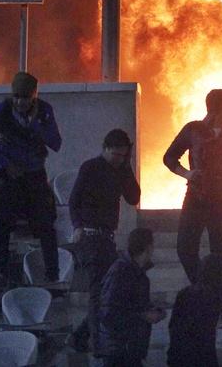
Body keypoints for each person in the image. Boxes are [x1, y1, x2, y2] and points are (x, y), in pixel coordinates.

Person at [163, 88, 222, 327]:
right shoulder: (193, 130)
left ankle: (221, 314)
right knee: (185, 248)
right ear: (217, 108)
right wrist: (187, 173)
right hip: (196, 198)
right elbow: (169, 157)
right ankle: (203, 291)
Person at [0, 71, 62, 290]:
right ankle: (0, 273)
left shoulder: (44, 111)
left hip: (35, 173)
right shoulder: (3, 110)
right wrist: (5, 163)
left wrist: (37, 125)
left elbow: (56, 142)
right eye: (16, 97)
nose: (20, 102)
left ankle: (52, 273)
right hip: (8, 175)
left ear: (34, 96)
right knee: (1, 225)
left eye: (25, 97)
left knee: (46, 223)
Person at [68, 129, 142, 353]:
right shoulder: (90, 167)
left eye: (123, 155)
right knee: (98, 291)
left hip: (108, 237)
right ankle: (97, 343)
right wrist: (77, 226)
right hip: (90, 236)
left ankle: (80, 336)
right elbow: (74, 200)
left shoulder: (121, 170)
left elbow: (133, 197)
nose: (118, 159)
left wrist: (126, 168)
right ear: (105, 148)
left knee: (109, 291)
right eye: (116, 155)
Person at [98, 227, 166, 366]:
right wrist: (143, 315)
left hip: (129, 348)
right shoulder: (121, 272)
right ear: (148, 247)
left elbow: (132, 304)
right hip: (120, 350)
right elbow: (109, 313)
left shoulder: (136, 272)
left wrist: (153, 311)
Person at [167, 254, 222, 367]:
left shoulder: (184, 293)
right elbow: (206, 332)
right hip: (201, 356)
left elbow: (173, 326)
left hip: (178, 353)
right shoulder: (214, 297)